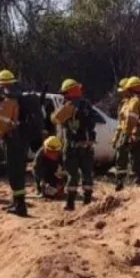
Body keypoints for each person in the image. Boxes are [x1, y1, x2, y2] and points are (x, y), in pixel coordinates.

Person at [51, 79, 96, 211]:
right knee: (87, 173)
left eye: (65, 93)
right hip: (87, 146)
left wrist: (60, 108)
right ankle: (88, 202)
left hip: (72, 146)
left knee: (72, 174)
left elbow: (55, 119)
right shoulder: (87, 104)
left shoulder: (70, 106)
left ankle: (70, 204)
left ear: (69, 92)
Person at [0, 70, 27, 216]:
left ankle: (20, 207)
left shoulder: (9, 101)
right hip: (16, 139)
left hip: (12, 139)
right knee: (16, 172)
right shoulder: (13, 99)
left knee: (15, 173)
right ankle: (16, 203)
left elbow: (3, 122)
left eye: (0, 86)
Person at [114, 76, 140, 191]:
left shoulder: (135, 102)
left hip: (137, 134)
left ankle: (136, 183)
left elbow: (132, 120)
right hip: (137, 134)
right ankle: (133, 182)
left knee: (137, 159)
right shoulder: (130, 103)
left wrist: (127, 135)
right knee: (135, 159)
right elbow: (122, 122)